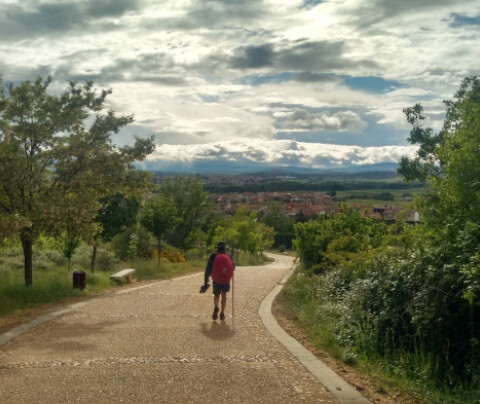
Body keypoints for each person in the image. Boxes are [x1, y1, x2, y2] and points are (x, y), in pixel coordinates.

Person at [200, 241, 235, 320]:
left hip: (216, 280)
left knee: (216, 295)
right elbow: (232, 267)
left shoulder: (213, 255)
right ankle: (222, 313)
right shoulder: (229, 255)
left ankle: (216, 306)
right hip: (225, 280)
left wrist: (206, 280)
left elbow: (208, 268)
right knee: (224, 295)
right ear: (224, 248)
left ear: (217, 248)